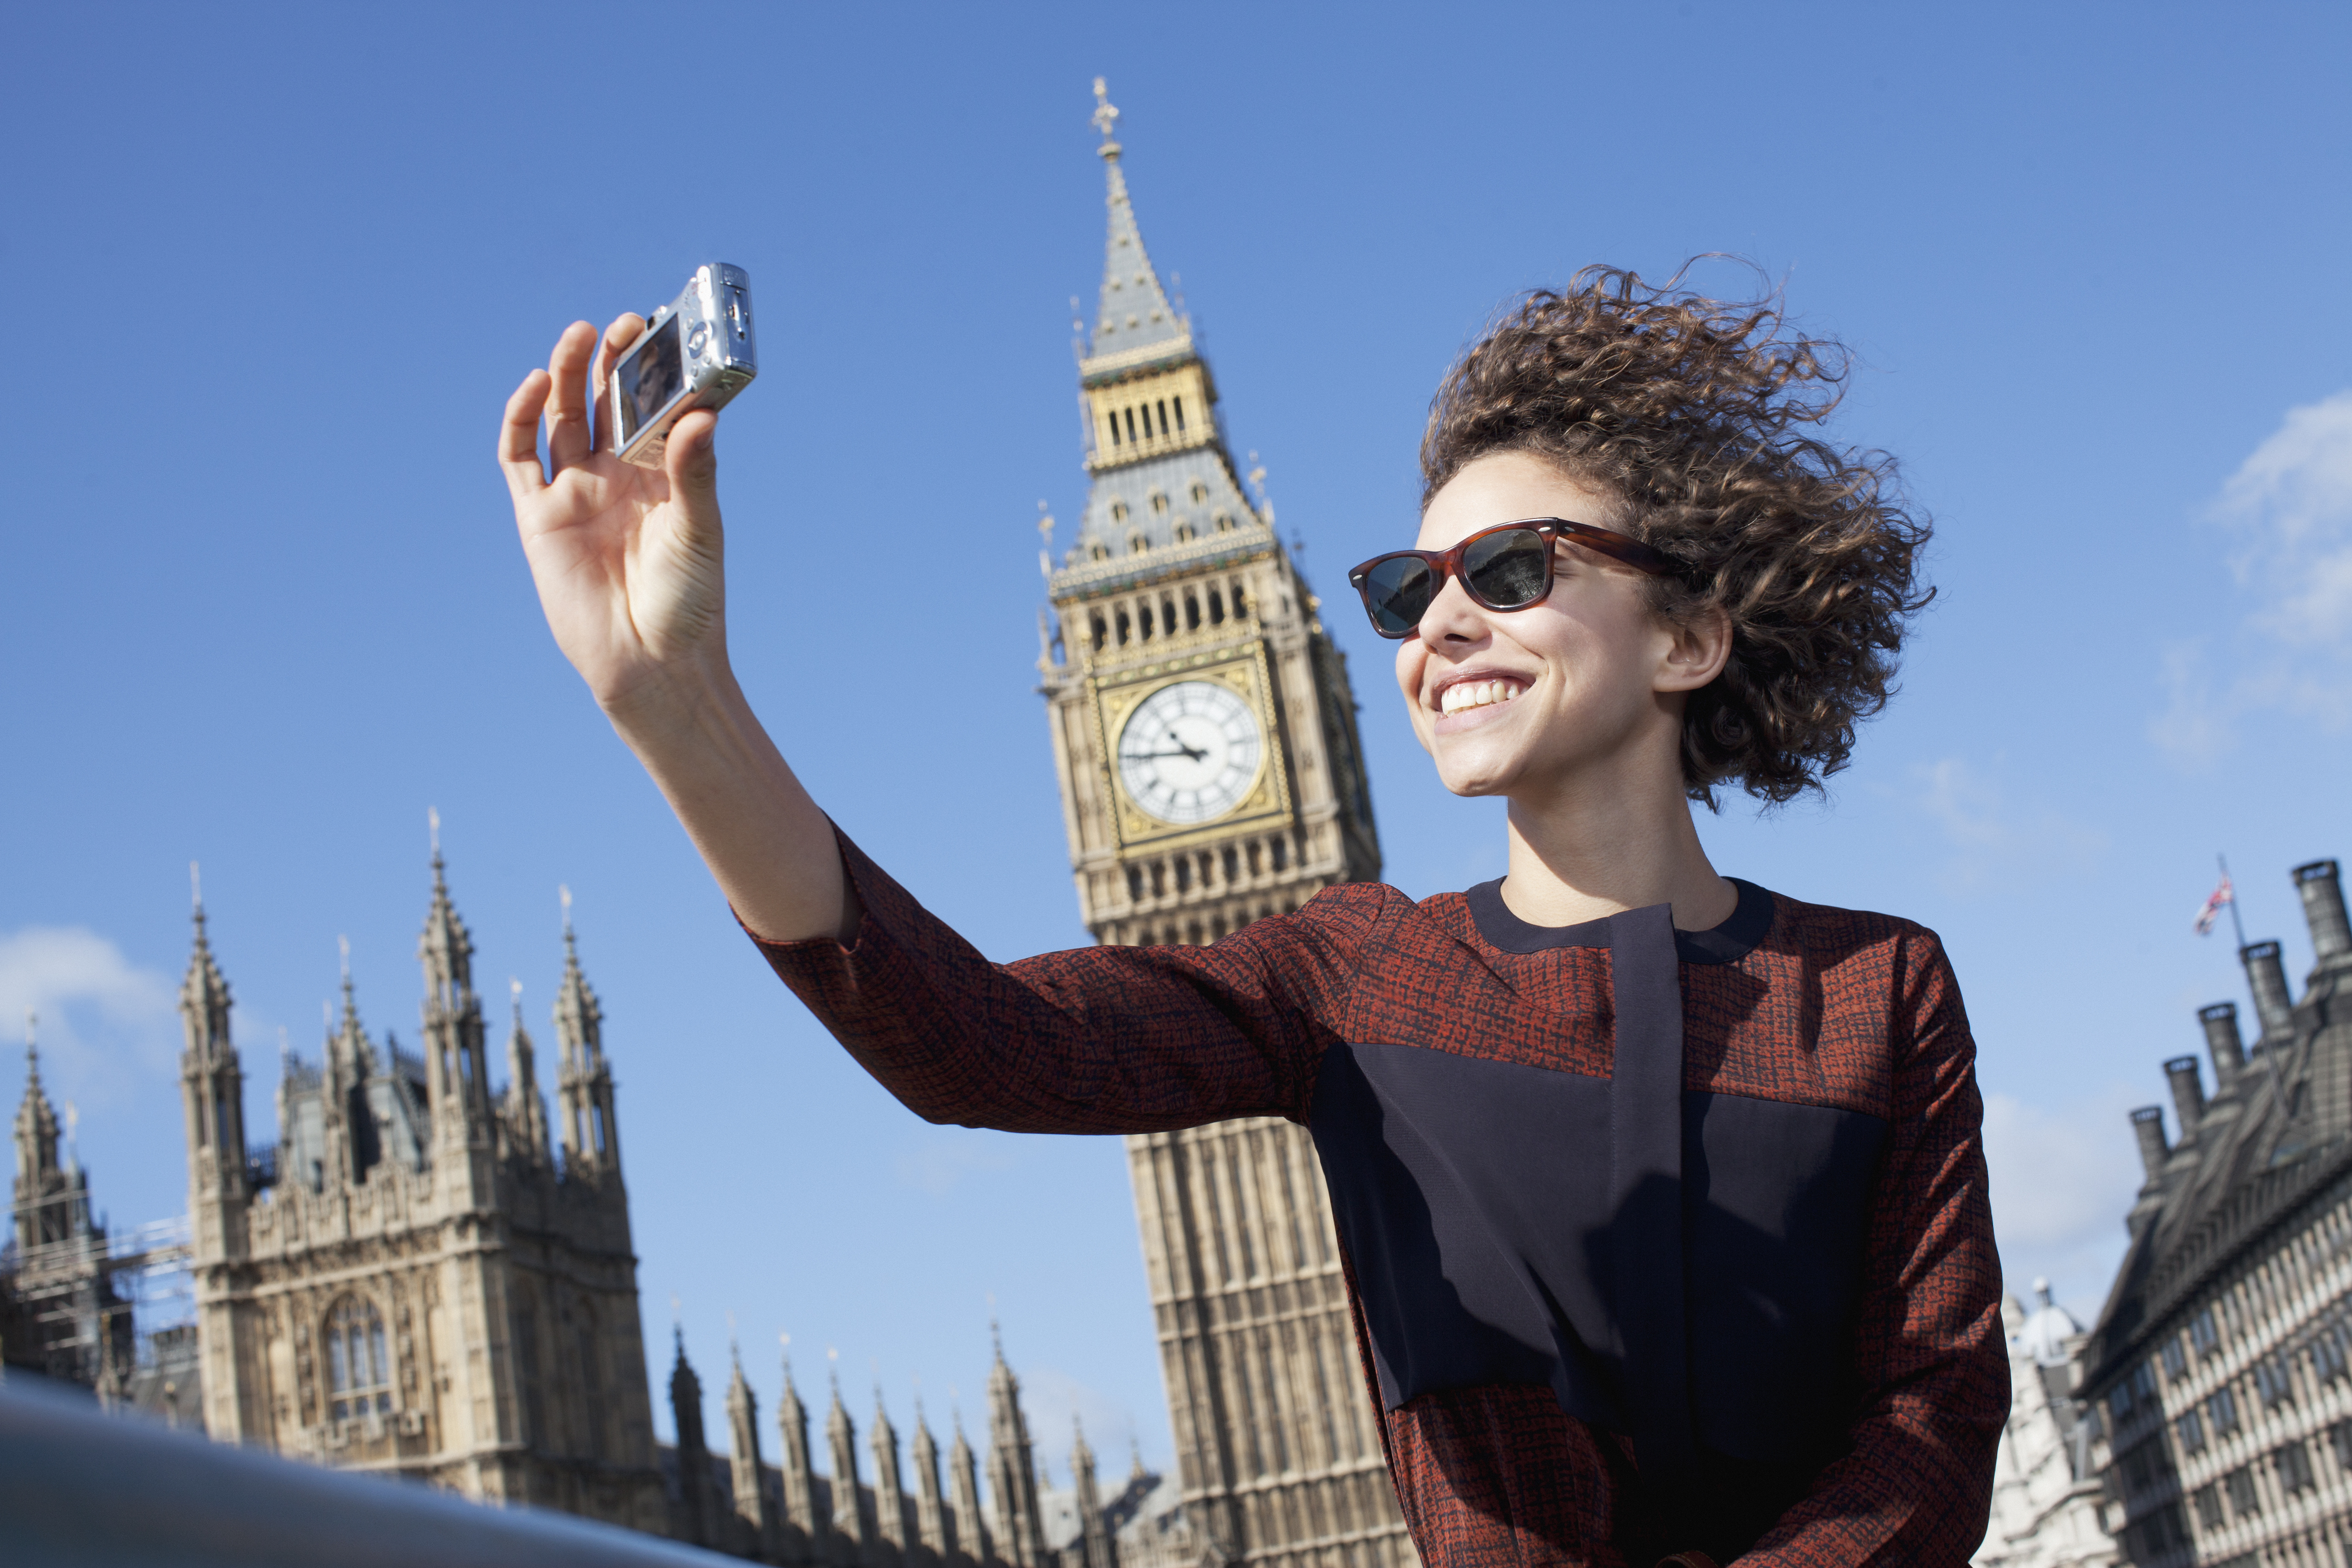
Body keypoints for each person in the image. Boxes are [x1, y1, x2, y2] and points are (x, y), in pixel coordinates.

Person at [497, 268, 2005, 1568]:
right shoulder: (1358, 976)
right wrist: (674, 699)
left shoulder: (1874, 992)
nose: (1443, 623)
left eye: (1510, 568)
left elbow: (1931, 1429)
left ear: (1686, 634)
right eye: (1412, 589)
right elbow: (977, 1045)